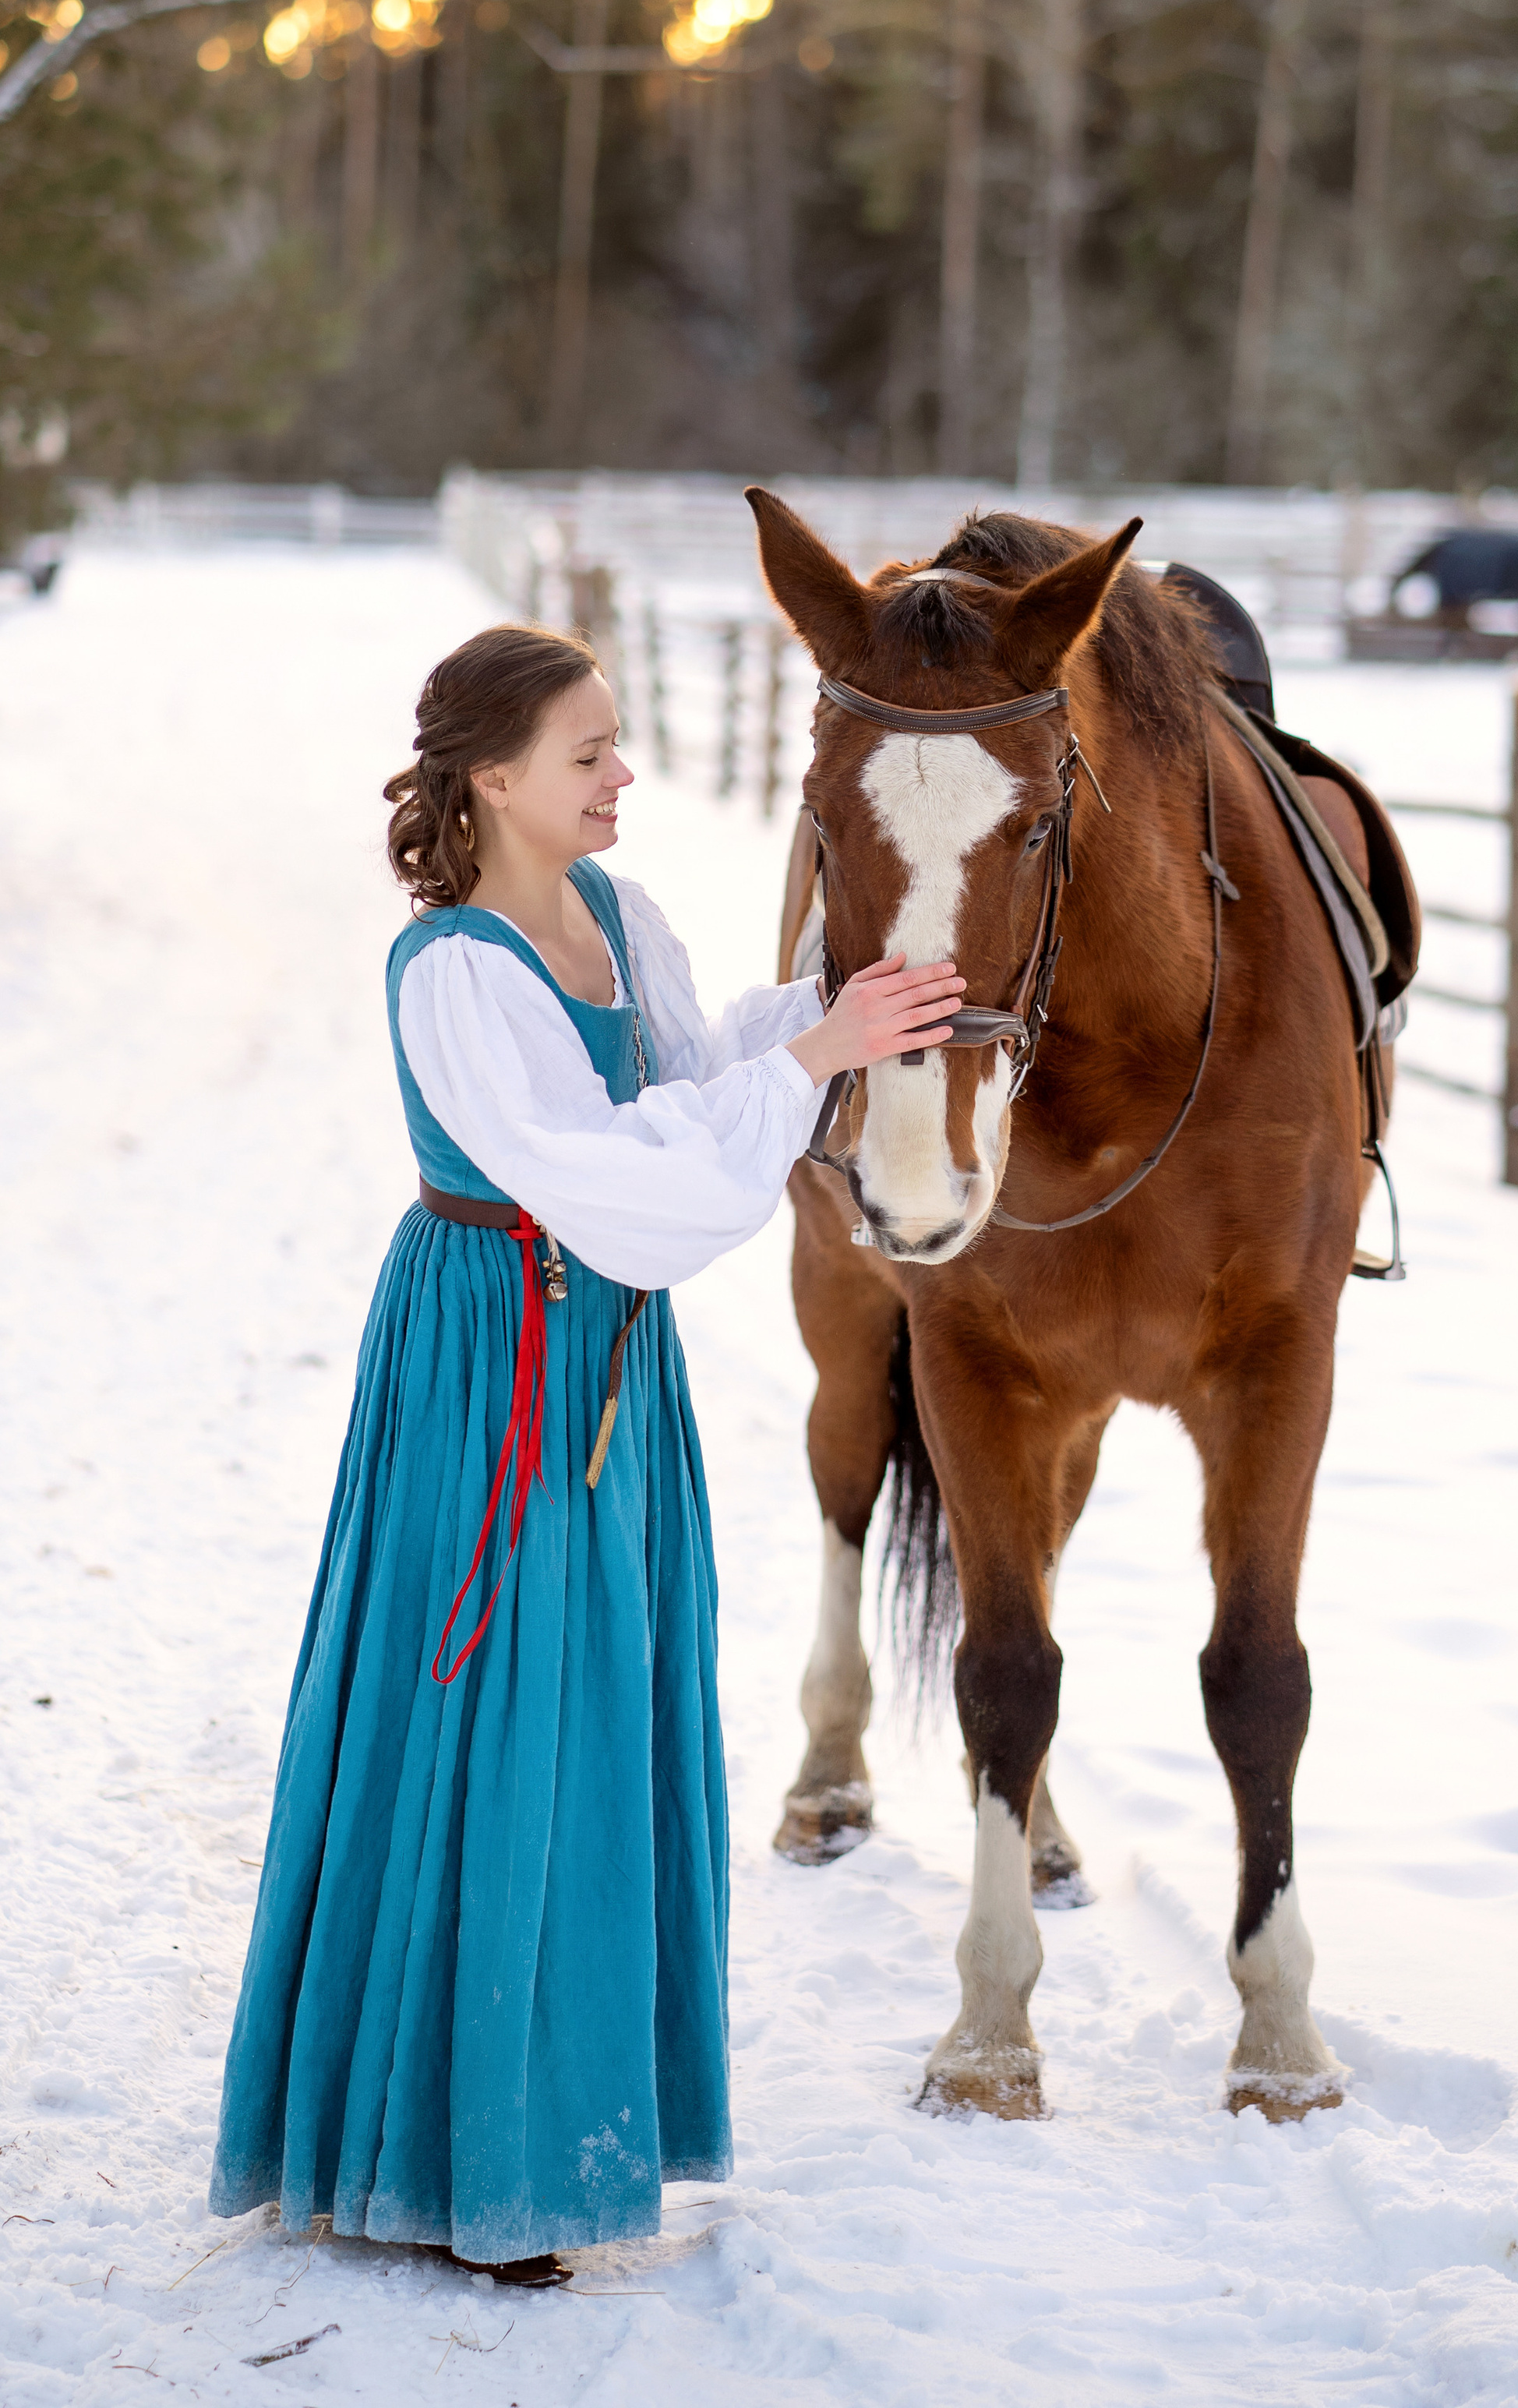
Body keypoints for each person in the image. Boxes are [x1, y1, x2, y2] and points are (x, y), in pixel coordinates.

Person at [210, 623, 961, 2284]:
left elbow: (688, 1077)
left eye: (618, 744)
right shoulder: (459, 966)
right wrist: (810, 1066)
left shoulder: (623, 917)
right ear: (490, 777)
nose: (623, 775)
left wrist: (831, 1013)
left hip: (608, 1356)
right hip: (498, 1355)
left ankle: (546, 2122)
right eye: (588, 753)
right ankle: (465, 2152)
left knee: (598, 1711)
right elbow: (610, 1174)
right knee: (502, 1716)